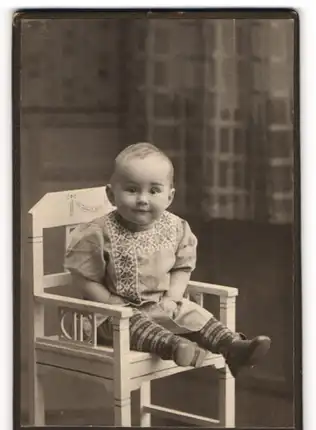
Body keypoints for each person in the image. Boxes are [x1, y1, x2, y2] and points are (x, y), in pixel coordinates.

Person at [64, 142, 271, 376]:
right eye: (132, 190)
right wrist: (111, 302)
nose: (143, 199)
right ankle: (175, 347)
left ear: (169, 197)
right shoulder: (98, 233)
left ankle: (233, 347)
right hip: (112, 316)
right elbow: (83, 277)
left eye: (154, 191)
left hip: (160, 305)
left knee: (192, 312)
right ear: (111, 195)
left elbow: (182, 267)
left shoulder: (175, 228)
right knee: (133, 324)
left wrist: (173, 296)